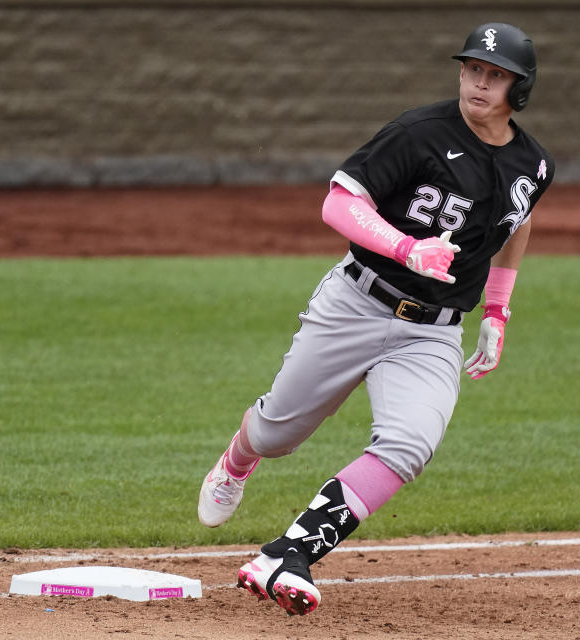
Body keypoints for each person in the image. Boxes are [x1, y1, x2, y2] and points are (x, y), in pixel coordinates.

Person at [197, 22, 555, 616]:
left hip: (433, 331)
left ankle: (291, 552)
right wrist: (406, 247)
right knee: (277, 433)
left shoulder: (533, 163)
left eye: (495, 75)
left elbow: (517, 225)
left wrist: (497, 308)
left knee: (411, 444)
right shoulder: (418, 133)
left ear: (520, 88)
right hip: (357, 303)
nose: (479, 83)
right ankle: (239, 458)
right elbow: (338, 203)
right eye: (472, 69)